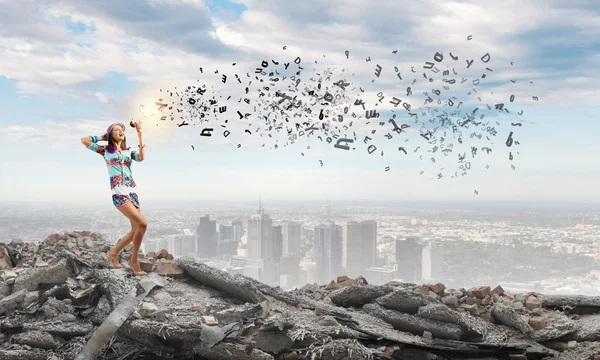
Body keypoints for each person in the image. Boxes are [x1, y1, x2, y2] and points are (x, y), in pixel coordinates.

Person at [80, 122, 148, 276]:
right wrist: (103, 136)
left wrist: (140, 135)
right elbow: (84, 140)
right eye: (116, 130)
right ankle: (134, 261)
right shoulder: (105, 151)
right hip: (119, 193)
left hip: (132, 193)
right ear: (111, 134)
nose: (120, 131)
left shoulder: (128, 151)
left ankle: (113, 254)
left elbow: (141, 158)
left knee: (136, 229)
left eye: (121, 129)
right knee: (143, 224)